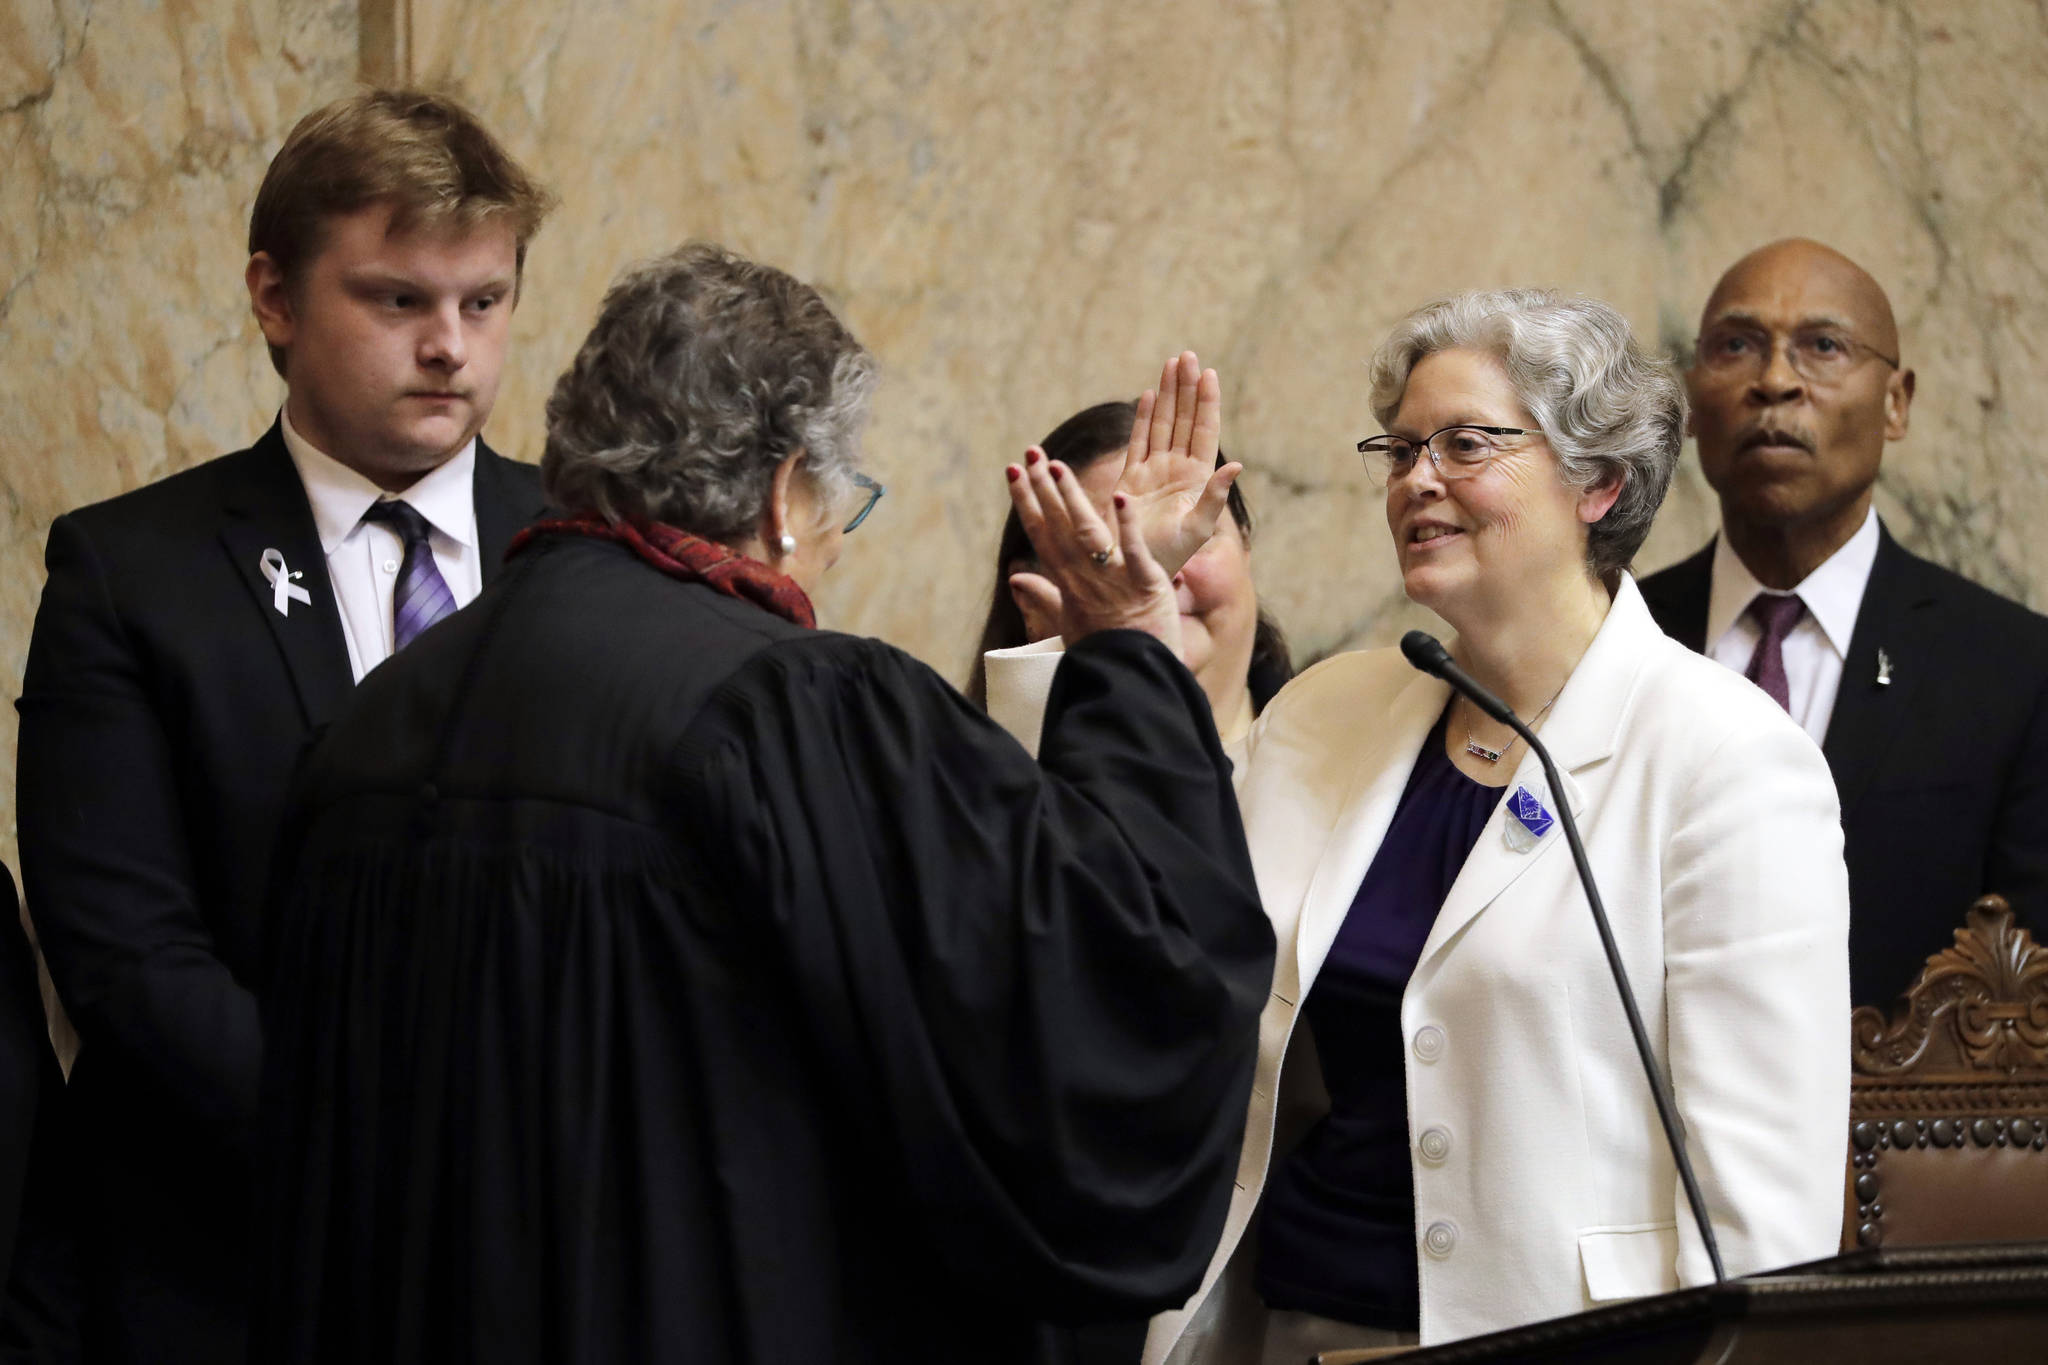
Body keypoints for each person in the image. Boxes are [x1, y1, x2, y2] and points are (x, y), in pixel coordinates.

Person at [252, 243, 1276, 1365]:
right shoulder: (796, 709)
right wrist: (1127, 650)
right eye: (846, 500)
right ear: (786, 492)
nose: (836, 537)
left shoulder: (378, 715)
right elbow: (1107, 998)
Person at [1027, 290, 1850, 1360]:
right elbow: (1124, 937)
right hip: (1283, 1326)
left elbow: (1760, 1210)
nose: (1415, 478)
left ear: (1597, 482)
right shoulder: (1327, 713)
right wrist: (1113, 646)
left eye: (1465, 444)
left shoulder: (1723, 758)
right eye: (1401, 447)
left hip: (1563, 1344)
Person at [13, 89, 553, 1361]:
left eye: (484, 302)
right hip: (236, 1262)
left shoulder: (585, 550)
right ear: (274, 298)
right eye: (397, 299)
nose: (450, 349)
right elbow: (126, 952)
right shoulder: (130, 572)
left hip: (548, 1253)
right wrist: (372, 1153)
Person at [1640, 238, 2048, 1006]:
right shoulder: (1615, 639)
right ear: (1691, 402)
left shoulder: (2015, 670)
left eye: (1822, 346)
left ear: (1897, 402)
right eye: (1737, 346)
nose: (1775, 381)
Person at [969, 397, 1291, 754]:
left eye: (1196, 537)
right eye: (1108, 551)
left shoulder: (1336, 746)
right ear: (1030, 599)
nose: (1154, 575)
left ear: (1245, 542)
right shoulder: (971, 792)